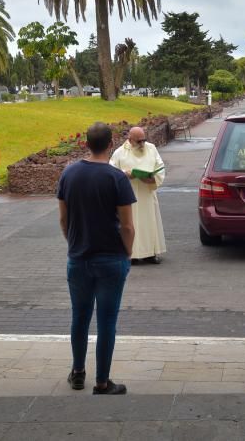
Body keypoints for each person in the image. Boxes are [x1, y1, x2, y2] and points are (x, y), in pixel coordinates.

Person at [57, 122, 136, 395]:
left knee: (79, 316)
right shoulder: (117, 178)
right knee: (107, 321)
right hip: (111, 258)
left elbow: (63, 218)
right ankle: (102, 382)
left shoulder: (68, 174)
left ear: (86, 143)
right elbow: (127, 226)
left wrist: (74, 243)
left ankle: (78, 372)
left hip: (78, 257)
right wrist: (127, 252)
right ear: (111, 144)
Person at [109, 126, 166, 265]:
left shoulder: (151, 148)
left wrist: (151, 178)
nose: (142, 144)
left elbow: (160, 167)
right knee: (131, 224)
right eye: (139, 141)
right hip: (128, 196)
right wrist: (125, 174)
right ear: (130, 140)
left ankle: (150, 254)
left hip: (147, 193)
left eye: (144, 140)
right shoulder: (119, 153)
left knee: (149, 224)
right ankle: (132, 254)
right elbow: (111, 173)